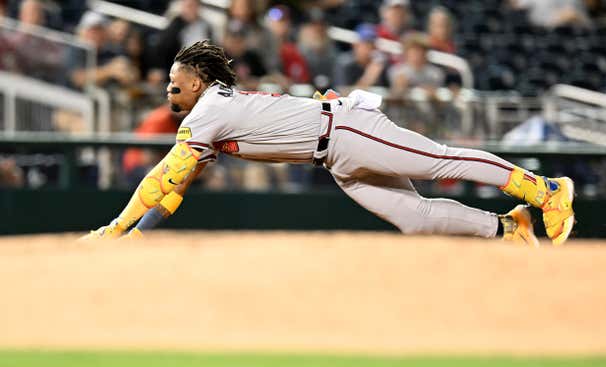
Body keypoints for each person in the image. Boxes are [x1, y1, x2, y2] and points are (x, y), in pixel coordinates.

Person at [82, 40, 576, 246]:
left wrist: (117, 228)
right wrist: (140, 235)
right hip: (335, 157)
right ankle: (509, 229)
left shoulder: (208, 112)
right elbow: (173, 189)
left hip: (344, 129)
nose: (168, 88)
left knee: (437, 161)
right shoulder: (210, 117)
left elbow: (159, 178)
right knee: (414, 218)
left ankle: (545, 189)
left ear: (196, 82)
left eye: (174, 80)